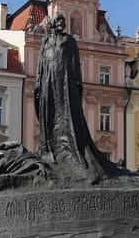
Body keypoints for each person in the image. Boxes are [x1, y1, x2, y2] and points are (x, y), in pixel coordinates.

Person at [33, 12, 118, 178]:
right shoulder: (45, 41)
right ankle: (50, 148)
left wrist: (78, 84)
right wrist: (38, 80)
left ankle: (70, 149)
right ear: (52, 24)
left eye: (63, 21)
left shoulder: (69, 41)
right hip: (48, 80)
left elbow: (75, 64)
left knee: (67, 113)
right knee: (48, 112)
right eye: (58, 20)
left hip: (65, 81)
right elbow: (41, 64)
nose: (61, 23)